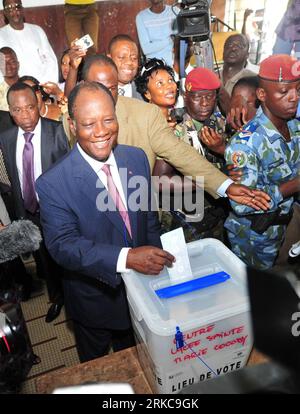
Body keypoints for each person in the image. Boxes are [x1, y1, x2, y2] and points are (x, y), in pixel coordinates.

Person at [36, 81, 175, 362]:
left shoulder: (135, 159)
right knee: (97, 369)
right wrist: (127, 258)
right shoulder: (53, 183)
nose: (101, 132)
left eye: (108, 120)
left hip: (142, 292)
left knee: (139, 359)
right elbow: (63, 246)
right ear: (72, 125)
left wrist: (160, 266)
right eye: (88, 124)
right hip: (95, 301)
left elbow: (147, 217)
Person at [64, 52, 271, 212]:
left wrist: (225, 185)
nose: (103, 95)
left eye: (110, 87)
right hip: (94, 208)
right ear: (83, 84)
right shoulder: (69, 119)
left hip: (139, 210)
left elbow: (180, 153)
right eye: (96, 86)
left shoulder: (145, 114)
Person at [0, 82, 70, 322]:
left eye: (29, 107)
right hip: (28, 213)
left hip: (59, 210)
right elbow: (13, 177)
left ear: (38, 105)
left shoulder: (57, 132)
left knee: (66, 257)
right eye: (17, 110)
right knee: (44, 261)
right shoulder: (6, 139)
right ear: (11, 111)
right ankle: (57, 298)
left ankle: (74, 300)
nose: (25, 115)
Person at [224, 54, 300, 270]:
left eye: (298, 90)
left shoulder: (294, 128)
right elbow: (242, 202)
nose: (294, 98)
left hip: (284, 224)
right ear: (262, 94)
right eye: (284, 92)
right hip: (254, 237)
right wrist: (293, 186)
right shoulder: (245, 144)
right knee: (255, 295)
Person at [153, 67, 229, 242]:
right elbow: (160, 181)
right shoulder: (175, 131)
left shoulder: (221, 123)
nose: (204, 103)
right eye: (197, 97)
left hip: (216, 216)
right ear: (185, 97)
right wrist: (211, 181)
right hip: (185, 219)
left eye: (209, 97)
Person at [0, 0, 58, 84]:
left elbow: (50, 59)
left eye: (17, 6)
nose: (14, 10)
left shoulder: (37, 30)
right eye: (9, 8)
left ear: (22, 9)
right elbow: (1, 66)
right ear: (4, 12)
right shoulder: (1, 35)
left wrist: (46, 85)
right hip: (15, 89)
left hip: (42, 85)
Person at [135, 0, 179, 67]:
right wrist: (170, 40)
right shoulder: (141, 17)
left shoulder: (175, 11)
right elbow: (146, 49)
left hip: (176, 65)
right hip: (155, 67)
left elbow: (181, 40)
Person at [135, 58, 178, 125]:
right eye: (160, 83)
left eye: (170, 80)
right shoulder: (142, 126)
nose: (169, 86)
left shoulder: (181, 119)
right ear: (147, 94)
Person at [107, 34, 142, 100]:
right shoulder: (98, 91)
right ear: (109, 59)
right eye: (122, 57)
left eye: (134, 58)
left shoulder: (144, 94)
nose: (129, 62)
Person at [0, 47, 19, 111]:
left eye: (12, 62)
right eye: (3, 63)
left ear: (18, 64)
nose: (8, 66)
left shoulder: (31, 84)